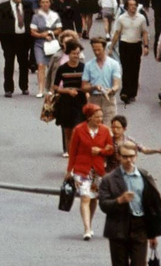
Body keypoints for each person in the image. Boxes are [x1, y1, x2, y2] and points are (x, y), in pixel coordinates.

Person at [98, 140, 161, 266]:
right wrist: (119, 201)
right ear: (118, 156)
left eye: (131, 156)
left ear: (136, 156)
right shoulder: (109, 179)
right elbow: (103, 204)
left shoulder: (144, 176)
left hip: (140, 227)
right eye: (125, 156)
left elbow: (151, 206)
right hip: (118, 229)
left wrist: (153, 234)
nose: (128, 160)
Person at [66, 103, 114, 240]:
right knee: (85, 197)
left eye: (101, 117)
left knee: (93, 199)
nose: (100, 119)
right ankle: (87, 229)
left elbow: (110, 149)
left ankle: (89, 224)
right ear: (89, 117)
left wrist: (101, 151)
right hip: (82, 169)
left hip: (98, 170)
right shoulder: (79, 130)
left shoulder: (105, 131)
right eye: (97, 117)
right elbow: (72, 151)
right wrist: (69, 170)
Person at [0, 0, 32, 97]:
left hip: (23, 39)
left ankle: (24, 87)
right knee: (9, 63)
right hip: (9, 39)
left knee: (24, 64)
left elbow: (32, 21)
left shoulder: (27, 6)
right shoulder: (3, 7)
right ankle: (8, 89)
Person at [110, 0, 150, 104]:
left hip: (136, 45)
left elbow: (145, 32)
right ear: (127, 7)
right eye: (131, 5)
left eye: (135, 5)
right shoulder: (122, 18)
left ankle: (133, 92)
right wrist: (111, 46)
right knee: (126, 68)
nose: (133, 7)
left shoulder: (141, 18)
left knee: (135, 69)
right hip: (125, 44)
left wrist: (146, 46)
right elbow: (117, 33)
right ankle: (125, 92)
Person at [52, 40, 88, 155]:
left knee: (78, 127)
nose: (76, 56)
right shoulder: (62, 69)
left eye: (78, 53)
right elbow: (55, 87)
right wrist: (67, 90)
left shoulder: (84, 68)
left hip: (80, 101)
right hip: (66, 102)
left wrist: (85, 92)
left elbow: (88, 84)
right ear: (68, 54)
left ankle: (77, 152)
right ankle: (69, 152)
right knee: (67, 130)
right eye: (73, 53)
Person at [83, 36, 123, 121]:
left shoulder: (114, 64)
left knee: (108, 130)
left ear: (104, 48)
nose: (96, 52)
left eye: (99, 50)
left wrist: (111, 90)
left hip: (108, 99)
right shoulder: (88, 65)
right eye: (94, 50)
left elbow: (117, 84)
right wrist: (94, 87)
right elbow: (84, 87)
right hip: (94, 99)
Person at [30, 0, 63, 97]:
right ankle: (40, 89)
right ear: (40, 3)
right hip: (40, 44)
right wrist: (42, 35)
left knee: (53, 66)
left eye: (47, 2)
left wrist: (50, 33)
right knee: (40, 65)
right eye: (43, 2)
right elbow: (32, 31)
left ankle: (51, 88)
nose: (45, 4)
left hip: (52, 43)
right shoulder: (36, 16)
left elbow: (59, 29)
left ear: (50, 3)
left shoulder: (55, 15)